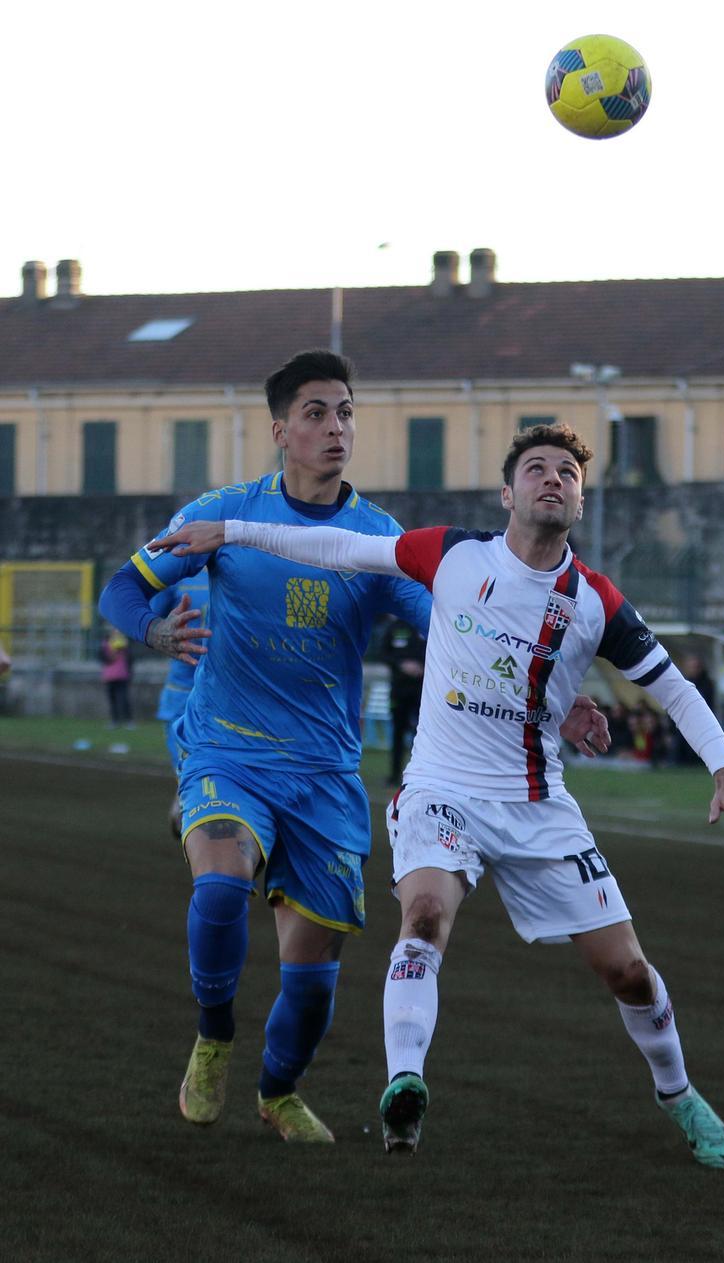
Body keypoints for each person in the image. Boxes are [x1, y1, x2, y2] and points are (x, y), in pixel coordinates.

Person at [152, 421, 724, 1171]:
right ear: (507, 491)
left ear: (579, 502)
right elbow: (336, 548)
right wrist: (229, 529)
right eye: (537, 468)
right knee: (423, 916)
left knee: (628, 972)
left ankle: (679, 1093)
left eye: (568, 475)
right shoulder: (452, 554)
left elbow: (673, 687)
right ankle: (404, 1086)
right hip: (441, 790)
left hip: (538, 805)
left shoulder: (594, 601)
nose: (553, 479)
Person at [100, 353, 605, 1146]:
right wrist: (158, 631)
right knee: (223, 885)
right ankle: (213, 1036)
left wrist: (556, 694)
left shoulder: (378, 537)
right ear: (280, 431)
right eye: (315, 413)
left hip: (328, 775)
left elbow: (459, 626)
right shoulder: (225, 512)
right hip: (228, 752)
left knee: (311, 973)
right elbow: (120, 590)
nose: (335, 427)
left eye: (344, 411)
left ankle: (277, 1089)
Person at [149, 569, 210, 838]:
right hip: (182, 698)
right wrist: (156, 630)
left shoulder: (254, 561)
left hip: (234, 699)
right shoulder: (180, 568)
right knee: (192, 786)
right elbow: (144, 617)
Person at [380, 617, 426, 785]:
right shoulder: (394, 627)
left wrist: (422, 666)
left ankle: (420, 776)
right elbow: (384, 653)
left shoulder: (426, 622)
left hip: (423, 691)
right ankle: (394, 776)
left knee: (422, 734)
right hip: (398, 690)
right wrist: (401, 664)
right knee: (398, 733)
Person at [99, 627, 133, 727]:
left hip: (122, 675)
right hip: (109, 676)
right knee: (112, 700)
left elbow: (130, 660)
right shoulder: (105, 644)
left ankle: (128, 720)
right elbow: (103, 658)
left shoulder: (125, 644)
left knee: (123, 699)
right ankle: (115, 721)